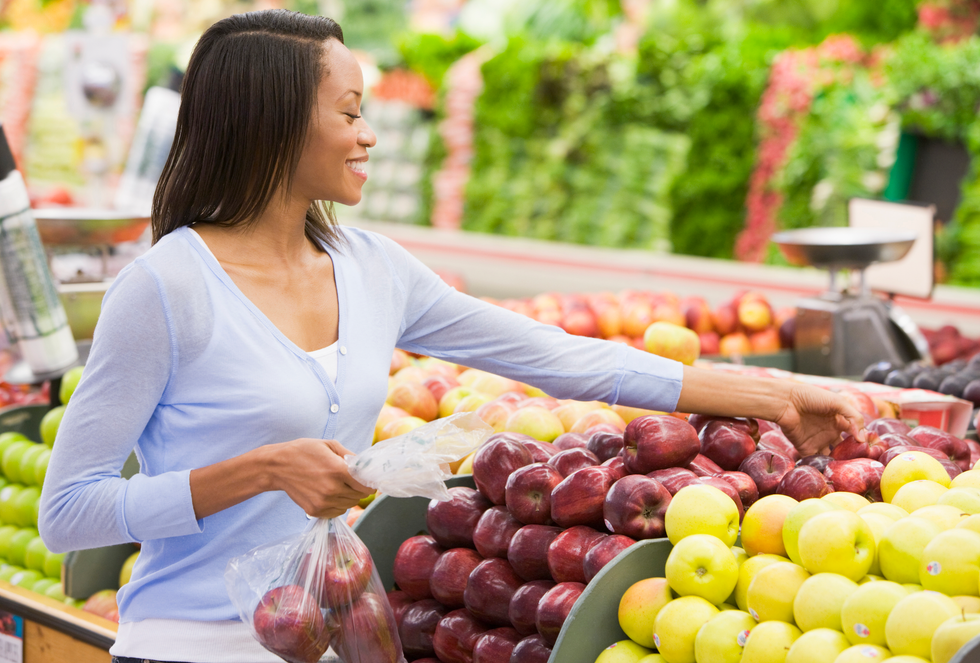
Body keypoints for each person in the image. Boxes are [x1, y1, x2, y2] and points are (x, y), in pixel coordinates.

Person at [38, 9, 863, 663]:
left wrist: (779, 396)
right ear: (274, 123)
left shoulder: (372, 269)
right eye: (350, 112)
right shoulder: (165, 286)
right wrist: (258, 471)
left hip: (328, 642)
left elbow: (566, 358)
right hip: (190, 649)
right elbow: (69, 514)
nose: (370, 135)